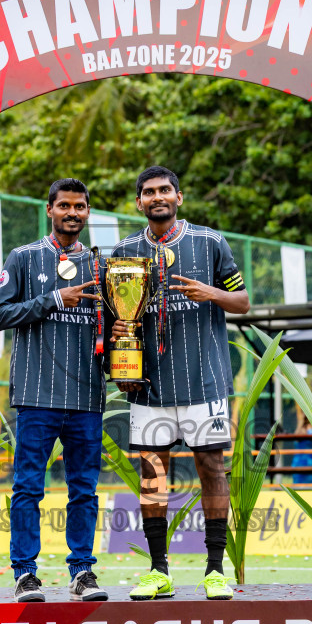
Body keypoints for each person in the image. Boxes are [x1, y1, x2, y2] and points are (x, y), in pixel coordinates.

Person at [108, 165, 250, 600]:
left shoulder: (210, 242)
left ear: (179, 197)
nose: (157, 197)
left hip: (204, 382)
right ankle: (158, 570)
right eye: (149, 192)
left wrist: (214, 294)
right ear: (139, 202)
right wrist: (119, 346)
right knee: (152, 474)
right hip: (148, 387)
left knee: (211, 468)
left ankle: (214, 570)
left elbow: (243, 302)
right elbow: (118, 317)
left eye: (165, 190)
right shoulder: (125, 250)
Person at [0, 177, 108, 603]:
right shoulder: (24, 258)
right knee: (27, 488)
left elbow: (112, 326)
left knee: (84, 490)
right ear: (49, 209)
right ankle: (25, 574)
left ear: (88, 212)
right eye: (64, 206)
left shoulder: (102, 267)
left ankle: (82, 572)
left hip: (87, 398)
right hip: (36, 396)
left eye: (80, 206)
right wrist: (55, 299)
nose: (72, 213)